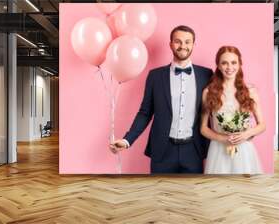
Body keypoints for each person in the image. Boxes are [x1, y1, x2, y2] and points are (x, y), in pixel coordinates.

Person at [110, 25, 213, 173]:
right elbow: (145, 113)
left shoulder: (207, 75)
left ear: (193, 45)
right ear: (170, 44)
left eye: (187, 42)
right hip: (162, 150)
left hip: (194, 151)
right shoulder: (155, 76)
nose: (183, 46)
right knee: (158, 195)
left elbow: (216, 109)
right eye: (178, 41)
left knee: (192, 195)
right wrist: (127, 140)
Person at [201, 46, 266, 174]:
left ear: (240, 64)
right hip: (218, 150)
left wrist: (246, 134)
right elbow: (203, 128)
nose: (229, 67)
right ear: (218, 66)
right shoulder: (208, 92)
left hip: (244, 150)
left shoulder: (250, 91)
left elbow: (262, 125)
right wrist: (223, 138)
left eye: (233, 62)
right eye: (224, 63)